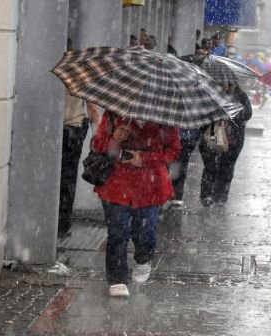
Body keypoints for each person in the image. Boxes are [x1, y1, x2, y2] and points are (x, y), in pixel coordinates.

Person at [92, 111, 181, 297]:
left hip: (151, 185)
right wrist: (114, 138)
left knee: (146, 231)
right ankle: (117, 279)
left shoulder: (166, 118)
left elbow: (174, 151)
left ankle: (143, 258)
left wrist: (145, 159)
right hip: (117, 183)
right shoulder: (114, 114)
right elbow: (99, 145)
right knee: (117, 231)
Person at [58, 38, 99, 239]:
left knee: (54, 176)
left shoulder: (50, 69)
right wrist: (95, 132)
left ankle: (52, 219)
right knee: (68, 176)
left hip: (55, 130)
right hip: (74, 128)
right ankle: (63, 222)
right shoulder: (79, 72)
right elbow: (91, 106)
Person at [198, 82, 252, 207]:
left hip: (233, 139)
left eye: (230, 83)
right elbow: (202, 114)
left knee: (227, 168)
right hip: (212, 135)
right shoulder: (211, 94)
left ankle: (221, 196)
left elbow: (247, 114)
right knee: (210, 166)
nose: (227, 85)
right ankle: (206, 195)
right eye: (224, 82)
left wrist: (231, 112)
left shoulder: (241, 96)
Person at [168, 127, 201, 208]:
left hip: (179, 137)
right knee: (181, 166)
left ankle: (174, 194)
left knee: (176, 166)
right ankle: (176, 195)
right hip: (188, 137)